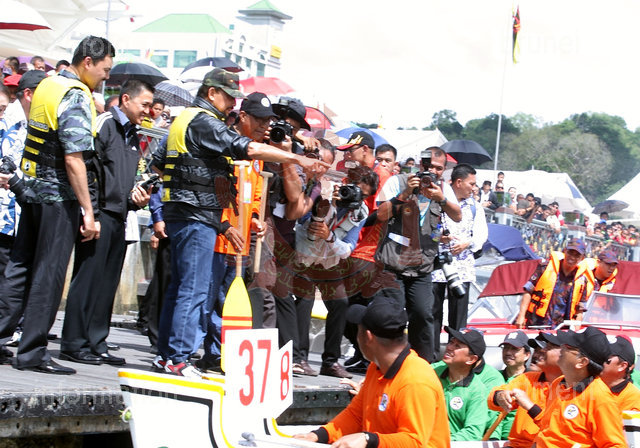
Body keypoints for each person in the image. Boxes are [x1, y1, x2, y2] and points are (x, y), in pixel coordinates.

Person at [152, 68, 328, 377]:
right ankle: (179, 359)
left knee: (181, 288)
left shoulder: (185, 120)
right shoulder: (204, 121)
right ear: (211, 93)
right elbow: (248, 148)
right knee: (194, 290)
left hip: (185, 213)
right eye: (228, 97)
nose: (232, 104)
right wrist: (298, 159)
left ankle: (168, 355)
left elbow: (161, 164)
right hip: (197, 217)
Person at [0, 35, 114, 375]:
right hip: (57, 198)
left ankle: (3, 336)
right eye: (105, 69)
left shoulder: (49, 84)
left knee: (19, 267)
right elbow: (74, 158)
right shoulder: (75, 95)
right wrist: (88, 211)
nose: (106, 76)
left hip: (32, 191)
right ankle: (32, 352)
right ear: (88, 62)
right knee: (48, 275)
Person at [59, 80, 154, 366]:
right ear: (125, 99)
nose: (148, 111)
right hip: (100, 215)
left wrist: (137, 196)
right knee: (87, 279)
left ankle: (96, 341)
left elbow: (125, 176)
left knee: (107, 283)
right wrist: (93, 213)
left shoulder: (133, 134)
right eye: (144, 104)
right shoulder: (104, 124)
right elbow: (87, 170)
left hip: (120, 215)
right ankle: (74, 342)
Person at [294, 298, 450, 448]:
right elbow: (356, 415)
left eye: (357, 330)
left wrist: (369, 439)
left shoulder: (416, 381)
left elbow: (414, 442)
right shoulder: (376, 367)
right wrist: (319, 435)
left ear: (368, 336)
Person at [198, 92, 274, 373]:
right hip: (217, 236)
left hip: (240, 243)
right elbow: (214, 190)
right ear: (243, 116)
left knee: (226, 301)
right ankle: (204, 352)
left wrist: (255, 220)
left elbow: (255, 197)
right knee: (208, 300)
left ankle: (220, 354)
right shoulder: (223, 145)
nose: (265, 126)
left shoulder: (257, 156)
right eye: (260, 120)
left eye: (268, 121)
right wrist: (225, 225)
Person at [376, 147, 461, 362]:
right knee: (393, 316)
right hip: (393, 264)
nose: (432, 171)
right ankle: (387, 362)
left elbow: (457, 216)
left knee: (423, 315)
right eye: (429, 166)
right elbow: (381, 214)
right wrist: (405, 194)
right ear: (420, 164)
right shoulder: (397, 181)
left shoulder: (443, 189)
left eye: (438, 168)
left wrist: (441, 199)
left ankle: (422, 365)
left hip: (422, 267)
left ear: (444, 170)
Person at [293, 165, 378, 379]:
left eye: (363, 195)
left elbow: (347, 249)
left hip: (329, 261)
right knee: (305, 299)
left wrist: (329, 237)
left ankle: (330, 362)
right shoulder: (324, 191)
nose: (356, 197)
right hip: (304, 255)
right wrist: (328, 205)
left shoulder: (361, 211)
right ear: (347, 181)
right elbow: (301, 222)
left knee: (340, 302)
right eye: (355, 189)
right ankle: (299, 358)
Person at [510, 327, 627, 447]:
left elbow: (616, 445)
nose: (562, 348)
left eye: (568, 347)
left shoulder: (600, 398)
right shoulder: (558, 383)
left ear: (582, 362)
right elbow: (548, 428)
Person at [432, 163, 487, 358]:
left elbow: (481, 235)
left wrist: (467, 244)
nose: (474, 188)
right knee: (433, 312)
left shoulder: (474, 207)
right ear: (458, 182)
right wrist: (439, 238)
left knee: (459, 314)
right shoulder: (437, 201)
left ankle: (455, 355)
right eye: (471, 184)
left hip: (462, 267)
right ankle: (431, 356)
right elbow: (425, 231)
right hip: (437, 265)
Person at [488, 332, 563, 447]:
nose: (537, 354)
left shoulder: (571, 387)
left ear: (564, 355)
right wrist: (499, 396)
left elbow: (556, 430)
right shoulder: (528, 378)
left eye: (546, 348)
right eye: (536, 350)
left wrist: (531, 408)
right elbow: (493, 400)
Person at [432, 327, 490, 441]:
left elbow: (472, 433)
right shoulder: (432, 371)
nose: (449, 347)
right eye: (451, 342)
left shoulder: (477, 391)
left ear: (471, 359)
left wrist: (440, 442)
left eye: (457, 346)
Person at [515, 238, 586, 328]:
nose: (572, 257)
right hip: (536, 323)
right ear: (565, 251)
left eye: (577, 255)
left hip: (560, 328)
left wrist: (576, 329)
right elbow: (528, 291)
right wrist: (521, 315)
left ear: (582, 258)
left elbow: (580, 309)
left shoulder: (582, 280)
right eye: (570, 253)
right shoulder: (544, 268)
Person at [601, 335, 640, 412]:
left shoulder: (633, 397)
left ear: (622, 366)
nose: (601, 359)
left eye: (607, 357)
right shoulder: (592, 384)